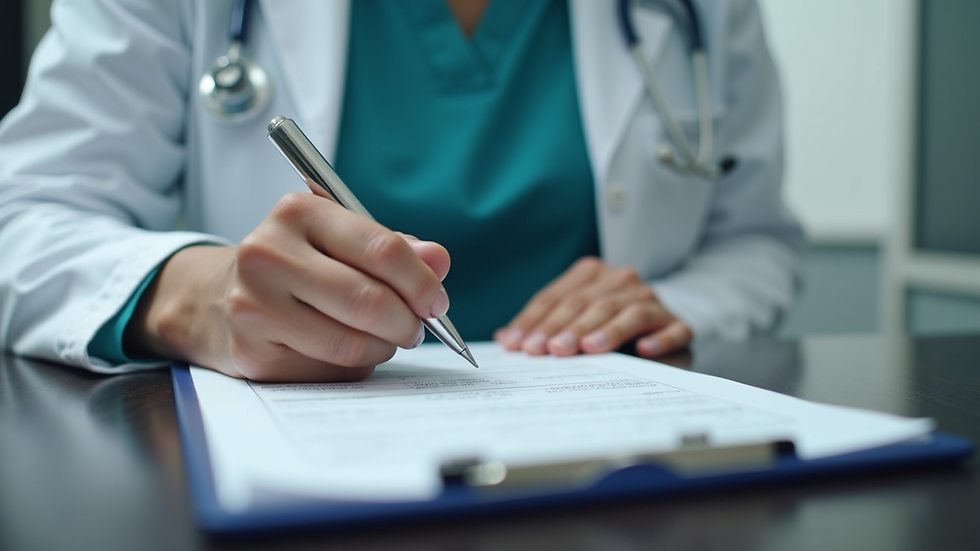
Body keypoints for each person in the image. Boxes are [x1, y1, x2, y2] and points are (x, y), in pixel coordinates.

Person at [0, 0, 804, 382]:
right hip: (310, 454)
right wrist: (198, 297)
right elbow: (24, 217)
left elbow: (755, 240)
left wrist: (672, 306)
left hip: (612, 456)